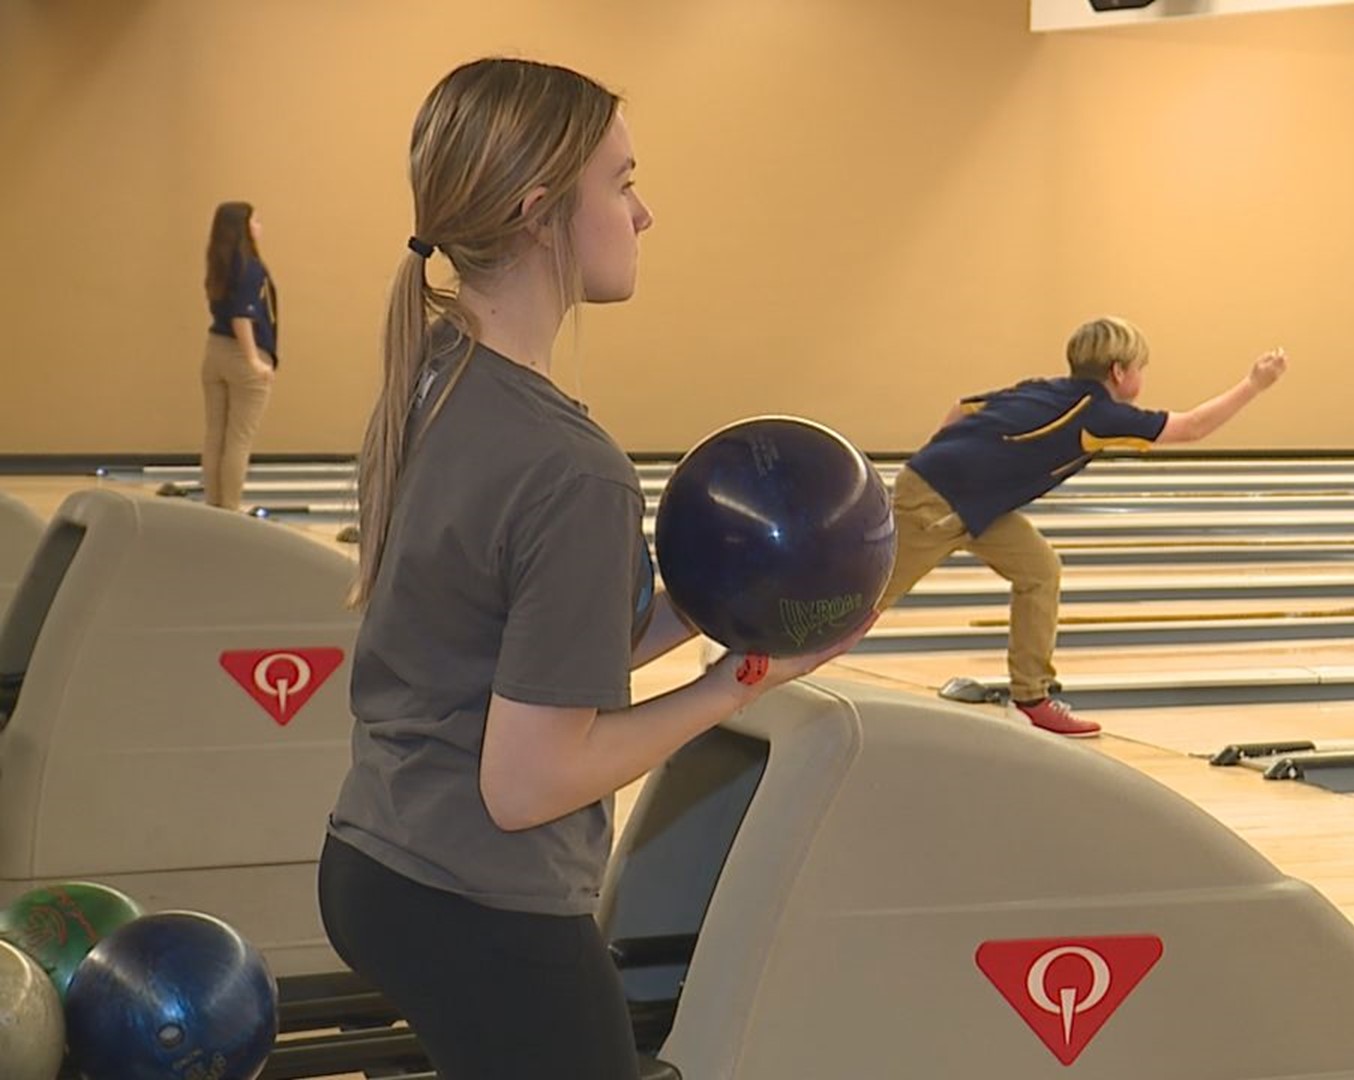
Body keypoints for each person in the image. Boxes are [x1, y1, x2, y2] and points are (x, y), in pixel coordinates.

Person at [316, 58, 867, 1079]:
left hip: (379, 858)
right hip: (480, 896)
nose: (644, 212)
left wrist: (710, 604)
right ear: (540, 215)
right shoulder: (572, 470)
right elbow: (530, 782)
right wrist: (735, 684)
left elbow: (524, 652)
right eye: (621, 182)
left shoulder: (439, 381)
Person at [877, 316, 1285, 737]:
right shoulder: (1100, 414)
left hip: (970, 501)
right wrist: (1254, 385)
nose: (1142, 375)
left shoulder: (1046, 388)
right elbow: (1192, 427)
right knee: (872, 594)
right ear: (1119, 372)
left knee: (1040, 570)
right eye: (1140, 368)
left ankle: (1031, 697)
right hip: (938, 502)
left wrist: (945, 460)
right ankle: (804, 652)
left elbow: (963, 408)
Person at [201, 201, 277, 510]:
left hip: (214, 351)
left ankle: (214, 505)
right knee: (239, 440)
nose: (260, 227)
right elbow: (242, 317)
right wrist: (254, 361)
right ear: (243, 228)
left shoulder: (219, 264)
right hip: (242, 354)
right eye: (256, 221)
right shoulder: (250, 267)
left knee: (215, 435)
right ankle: (230, 508)